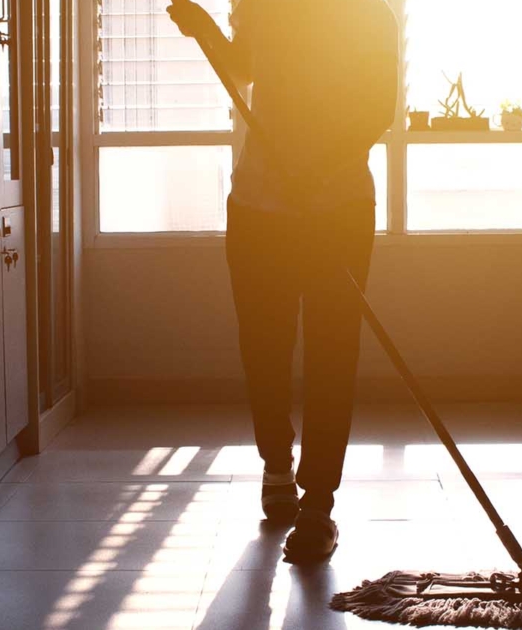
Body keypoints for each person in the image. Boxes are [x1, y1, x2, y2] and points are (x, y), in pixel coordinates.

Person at [167, 0, 400, 561]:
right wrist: (204, 30)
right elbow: (243, 68)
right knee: (263, 345)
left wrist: (317, 172)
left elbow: (376, 111)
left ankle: (318, 502)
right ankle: (276, 464)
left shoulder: (371, 15)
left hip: (337, 207)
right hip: (258, 207)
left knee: (332, 349)